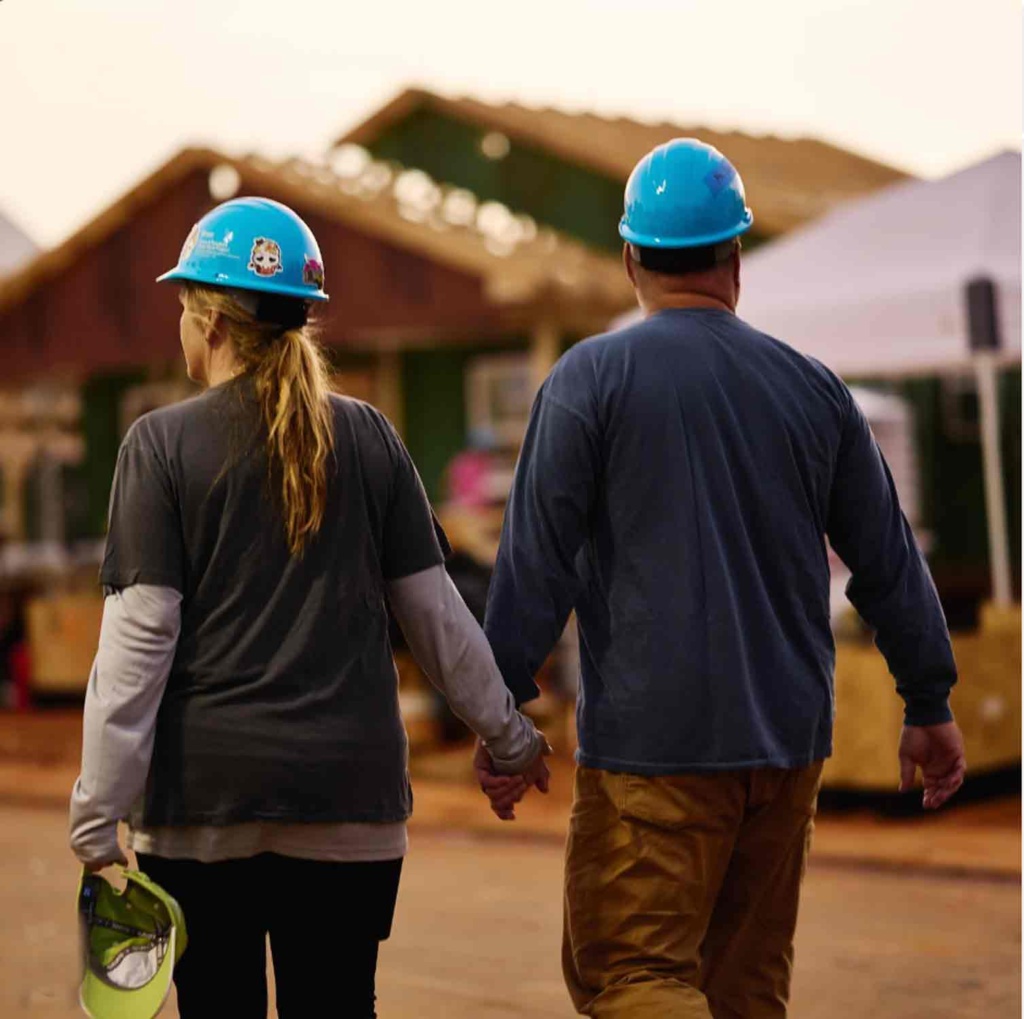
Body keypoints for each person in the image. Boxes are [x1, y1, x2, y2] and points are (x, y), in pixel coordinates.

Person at [478, 139, 967, 1018]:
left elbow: (534, 562)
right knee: (745, 991)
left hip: (655, 749)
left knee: (632, 974)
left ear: (631, 258)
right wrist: (927, 702)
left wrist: (500, 710)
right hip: (787, 744)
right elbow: (889, 559)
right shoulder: (815, 391)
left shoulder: (591, 379)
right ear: (736, 256)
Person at [69, 196, 549, 1019]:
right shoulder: (370, 438)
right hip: (348, 808)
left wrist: (96, 812)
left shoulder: (158, 447)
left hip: (201, 815)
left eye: (184, 310)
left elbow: (137, 648)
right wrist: (508, 736)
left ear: (211, 321)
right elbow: (436, 618)